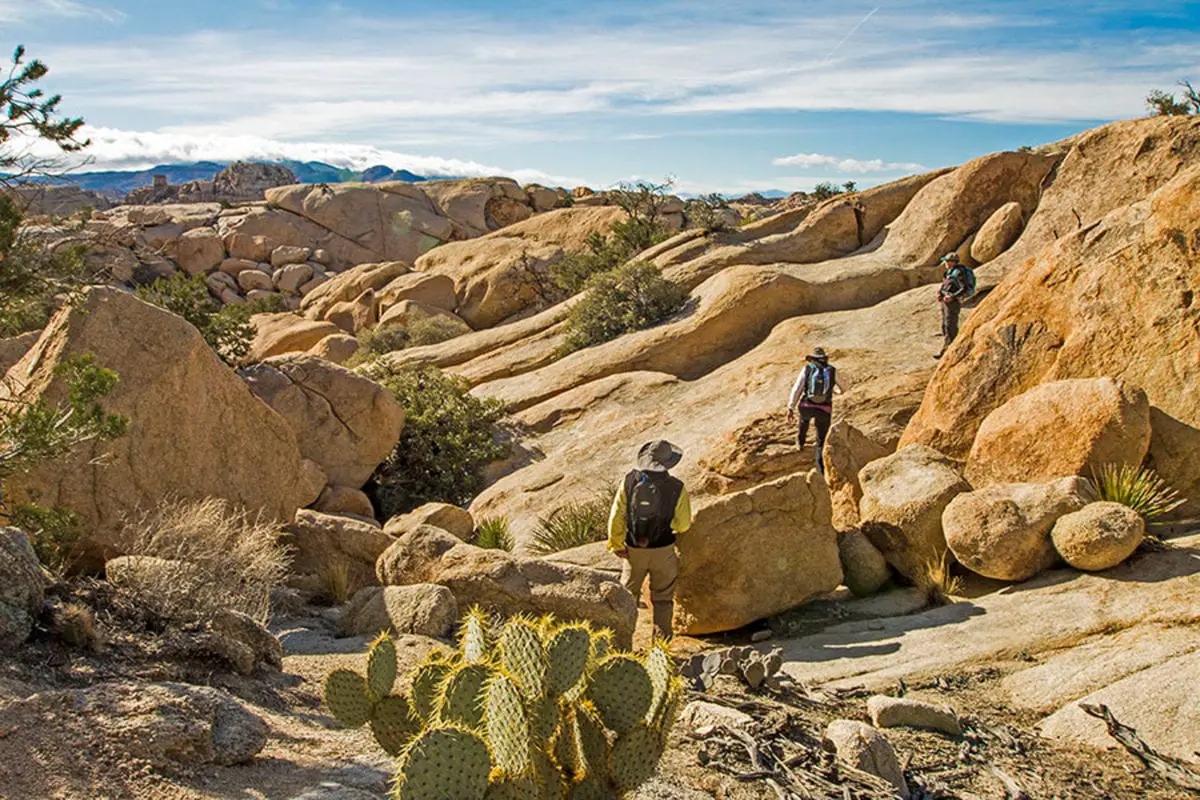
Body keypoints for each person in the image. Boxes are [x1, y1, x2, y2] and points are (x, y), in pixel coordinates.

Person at [607, 440, 692, 641]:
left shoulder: (629, 481)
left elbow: (616, 516)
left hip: (633, 549)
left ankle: (620, 644)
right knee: (662, 599)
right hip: (663, 549)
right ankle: (660, 648)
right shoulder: (677, 487)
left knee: (627, 598)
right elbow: (683, 525)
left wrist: (617, 544)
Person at [786, 347, 843, 474]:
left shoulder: (807, 369)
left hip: (807, 405)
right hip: (824, 408)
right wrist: (835, 391)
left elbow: (797, 388)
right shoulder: (832, 370)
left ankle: (800, 442)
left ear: (812, 359)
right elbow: (845, 386)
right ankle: (821, 470)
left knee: (803, 420)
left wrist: (791, 407)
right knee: (821, 441)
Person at [935, 252, 976, 359]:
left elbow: (964, 288)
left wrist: (952, 296)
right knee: (945, 325)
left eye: (947, 261)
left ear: (953, 262)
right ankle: (947, 348)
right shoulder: (948, 272)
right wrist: (939, 293)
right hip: (945, 301)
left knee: (950, 326)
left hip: (952, 303)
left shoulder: (959, 273)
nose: (945, 263)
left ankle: (948, 352)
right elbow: (944, 284)